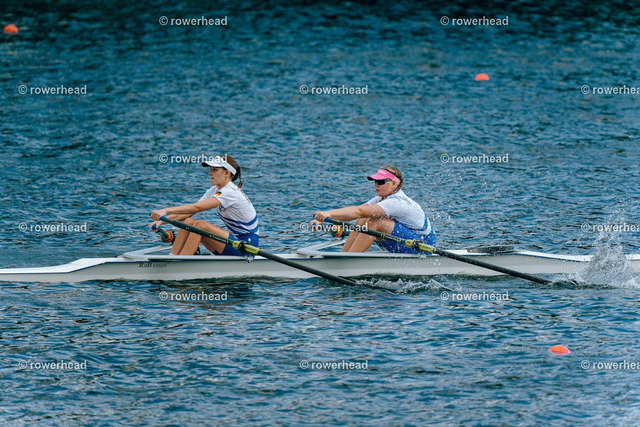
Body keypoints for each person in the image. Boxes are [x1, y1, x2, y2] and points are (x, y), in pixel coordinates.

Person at [149, 154, 259, 255]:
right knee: (188, 222)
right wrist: (161, 221)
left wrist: (166, 210)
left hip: (246, 246)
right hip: (233, 242)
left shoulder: (230, 191)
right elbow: (189, 212)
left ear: (226, 173)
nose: (210, 173)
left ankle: (181, 262)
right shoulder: (214, 190)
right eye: (211, 169)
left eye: (214, 169)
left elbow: (196, 208)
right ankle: (173, 257)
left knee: (200, 225)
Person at [310, 166, 435, 253]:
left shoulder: (397, 202)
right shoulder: (382, 198)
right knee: (364, 218)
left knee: (375, 221)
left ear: (394, 184)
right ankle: (344, 256)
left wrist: (328, 214)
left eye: (381, 182)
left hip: (423, 247)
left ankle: (349, 261)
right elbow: (358, 211)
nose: (376, 185)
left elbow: (358, 212)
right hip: (407, 241)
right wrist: (323, 218)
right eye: (375, 181)